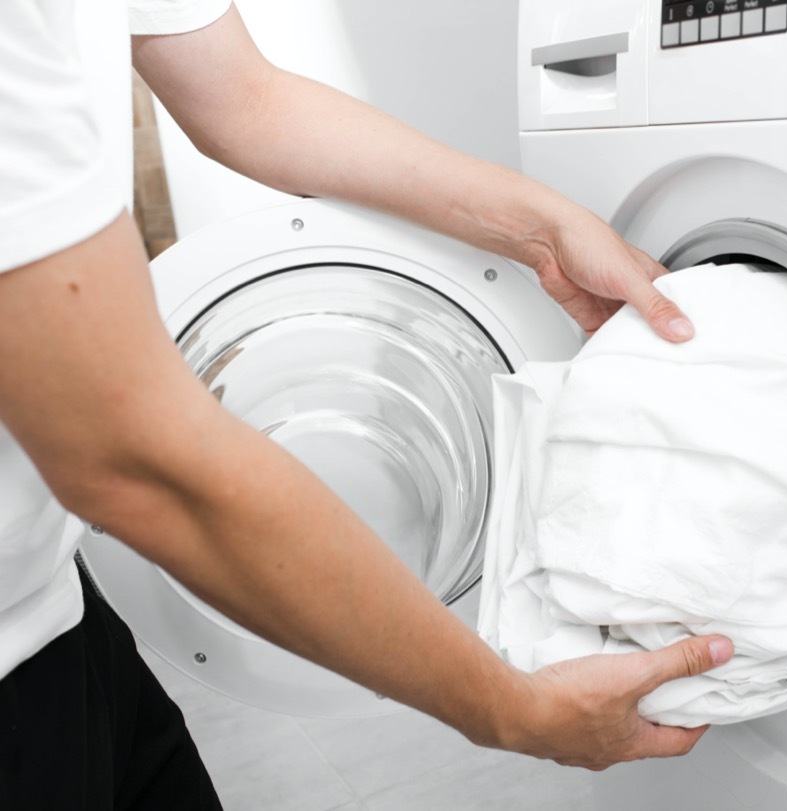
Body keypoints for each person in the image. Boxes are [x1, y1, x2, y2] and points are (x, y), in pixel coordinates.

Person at [0, 1, 735, 807]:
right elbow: (137, 461)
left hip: (48, 611)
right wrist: (512, 707)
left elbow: (245, 99)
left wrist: (544, 228)